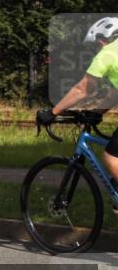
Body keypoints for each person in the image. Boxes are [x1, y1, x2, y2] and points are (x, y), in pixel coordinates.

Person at [38, 17, 118, 194]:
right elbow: (116, 92)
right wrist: (98, 112)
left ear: (101, 40)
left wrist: (52, 112)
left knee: (112, 158)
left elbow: (83, 88)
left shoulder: (108, 53)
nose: (97, 48)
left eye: (96, 45)